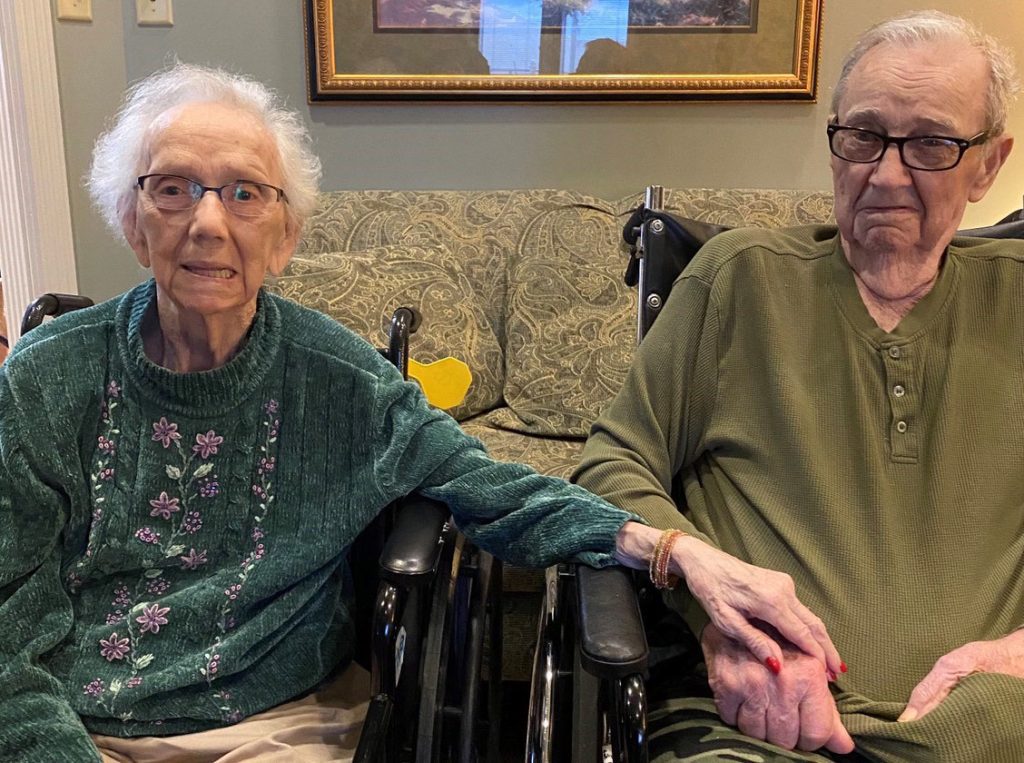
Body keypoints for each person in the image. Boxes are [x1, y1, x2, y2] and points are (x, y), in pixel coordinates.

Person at [0, 63, 660, 763]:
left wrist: (665, 548)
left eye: (245, 193)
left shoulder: (340, 379)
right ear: (132, 223)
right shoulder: (47, 375)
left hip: (275, 723)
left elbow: (491, 488)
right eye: (173, 188)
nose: (208, 223)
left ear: (284, 238)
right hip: (72, 721)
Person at [579, 10, 1024, 763]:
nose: (886, 175)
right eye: (863, 136)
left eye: (930, 143)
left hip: (994, 723)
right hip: (763, 721)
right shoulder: (739, 280)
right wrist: (716, 601)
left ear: (987, 164)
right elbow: (610, 465)